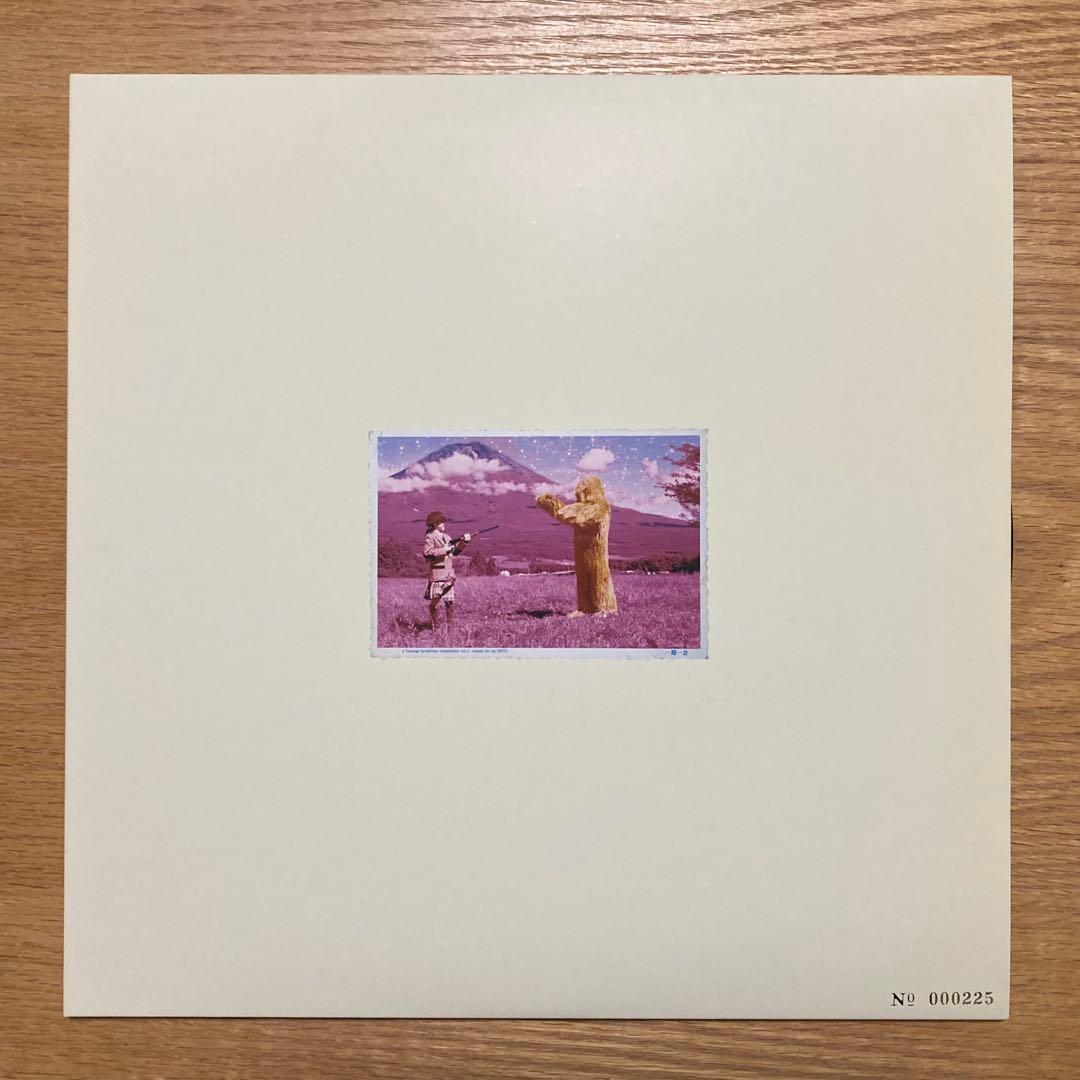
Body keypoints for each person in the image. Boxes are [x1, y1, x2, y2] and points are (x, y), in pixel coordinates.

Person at [535, 475, 617, 615]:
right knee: (583, 578)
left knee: (599, 577)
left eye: (582, 491)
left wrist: (555, 506)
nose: (579, 494)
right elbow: (570, 515)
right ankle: (585, 608)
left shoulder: (601, 507)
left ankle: (607, 608)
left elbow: (577, 517)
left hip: (597, 552)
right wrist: (550, 504)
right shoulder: (581, 508)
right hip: (581, 552)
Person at [422, 511, 470, 630]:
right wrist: (444, 550)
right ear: (435, 524)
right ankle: (435, 626)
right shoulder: (430, 537)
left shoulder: (447, 537)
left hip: (449, 575)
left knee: (449, 601)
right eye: (441, 522)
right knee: (435, 602)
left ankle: (450, 626)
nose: (443, 524)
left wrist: (464, 542)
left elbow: (456, 552)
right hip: (437, 575)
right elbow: (427, 554)